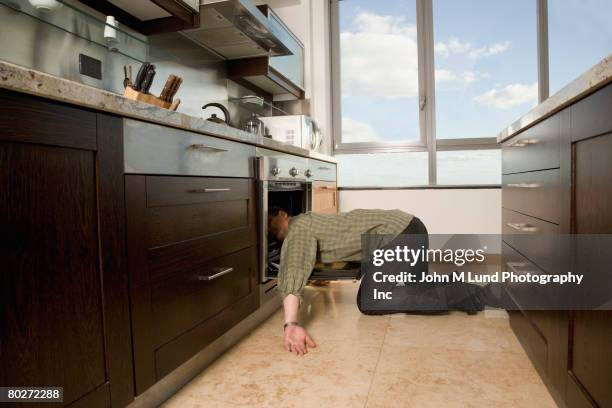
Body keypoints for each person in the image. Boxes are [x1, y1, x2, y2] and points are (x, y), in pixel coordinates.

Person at [268, 207, 494, 356]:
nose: (269, 221)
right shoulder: (310, 221)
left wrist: (291, 324)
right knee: (415, 287)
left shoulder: (297, 229)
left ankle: (465, 293)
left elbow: (294, 270)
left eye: (271, 216)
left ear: (283, 214)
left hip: (400, 236)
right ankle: (459, 285)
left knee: (371, 300)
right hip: (411, 228)